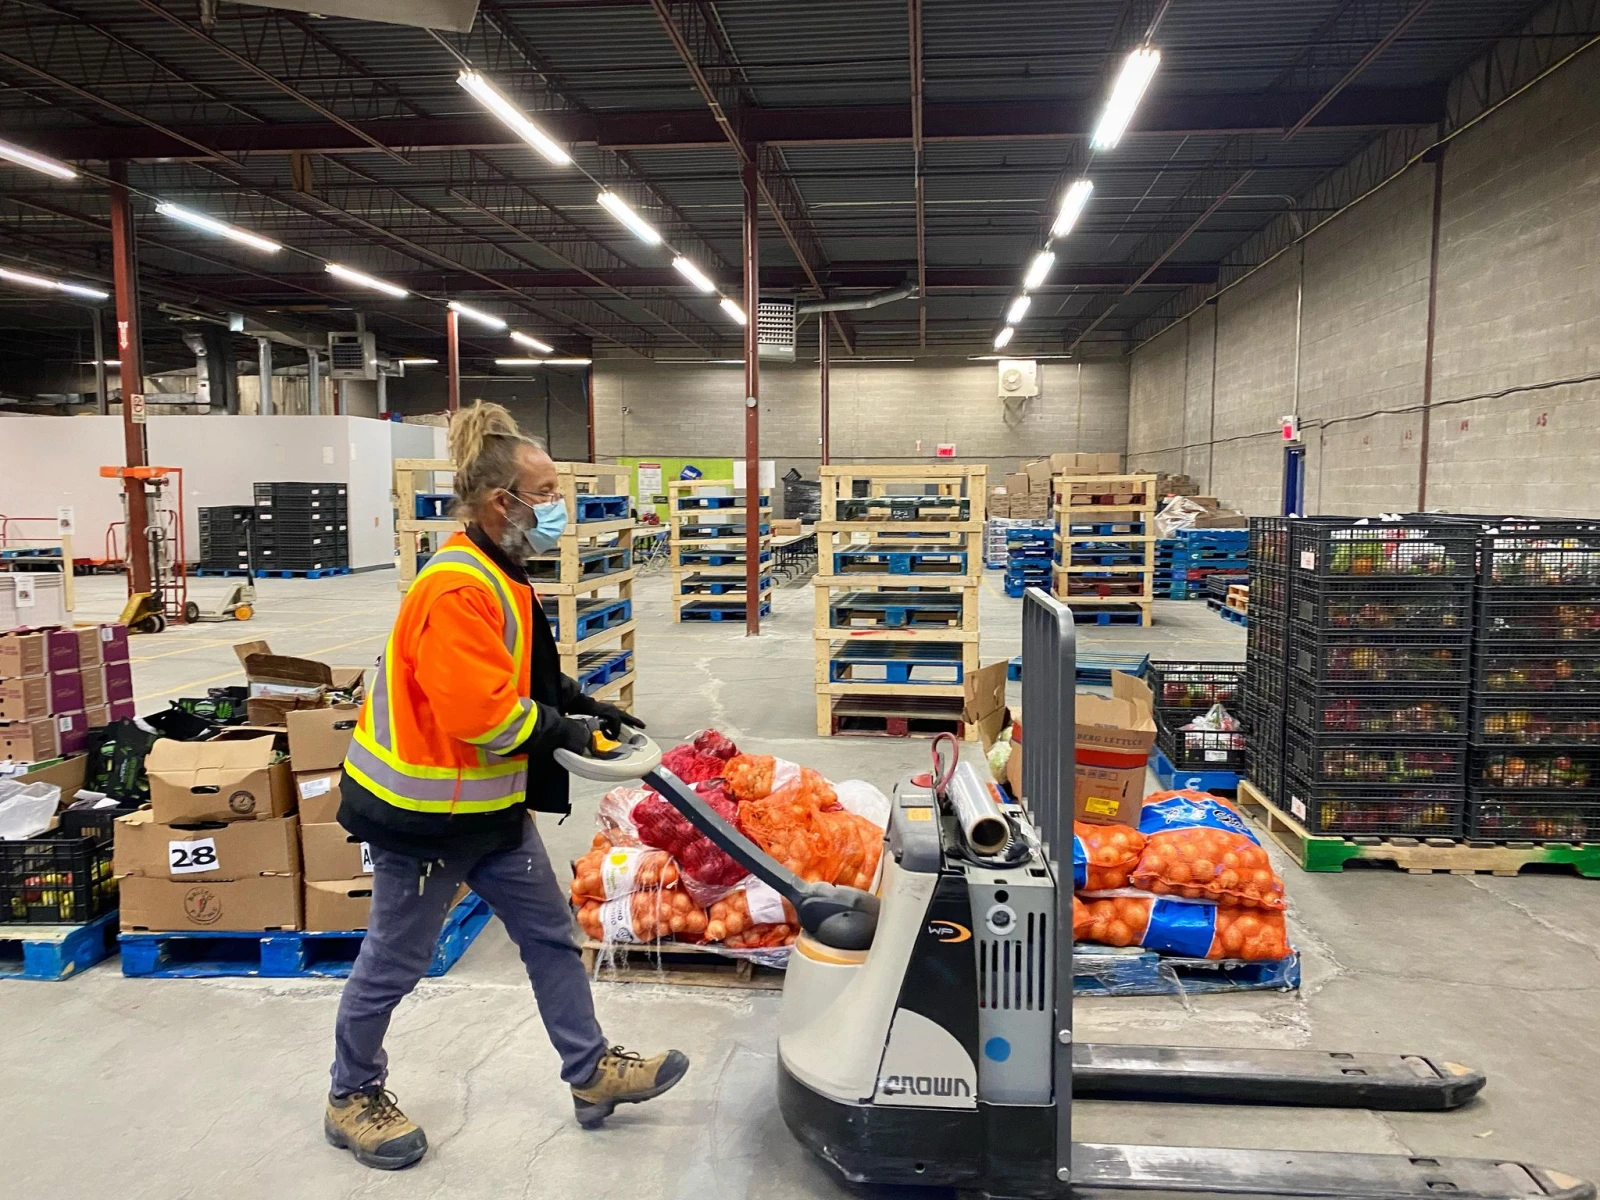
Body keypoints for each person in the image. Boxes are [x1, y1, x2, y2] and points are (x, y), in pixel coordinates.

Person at [323, 401, 687, 1171]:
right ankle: (350, 1094)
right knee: (395, 961)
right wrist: (564, 733)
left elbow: (518, 672)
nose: (558, 508)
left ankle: (590, 1072)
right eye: (546, 493)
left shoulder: (500, 573)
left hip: (487, 809)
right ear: (501, 502)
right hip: (423, 818)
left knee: (551, 937)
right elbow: (483, 715)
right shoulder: (456, 588)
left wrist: (582, 705)